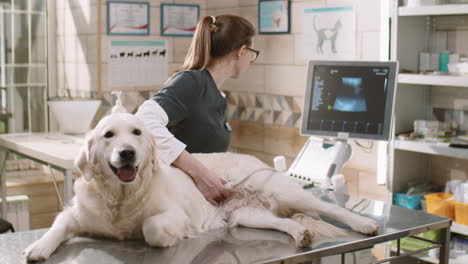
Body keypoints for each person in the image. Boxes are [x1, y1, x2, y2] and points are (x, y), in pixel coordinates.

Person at [136, 15, 260, 206]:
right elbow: (143, 122)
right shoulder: (192, 81)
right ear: (241, 51)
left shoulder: (216, 93)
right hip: (173, 203)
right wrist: (201, 174)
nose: (251, 60)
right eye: (252, 53)